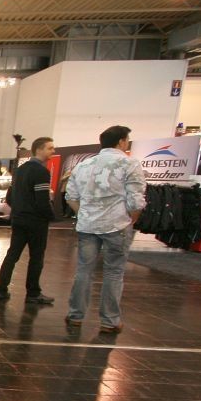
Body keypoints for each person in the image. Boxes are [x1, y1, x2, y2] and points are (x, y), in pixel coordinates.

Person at [64, 125, 146, 334]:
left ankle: (75, 315)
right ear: (121, 141)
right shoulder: (129, 164)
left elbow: (71, 196)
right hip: (116, 225)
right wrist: (131, 220)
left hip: (87, 226)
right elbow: (136, 200)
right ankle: (110, 321)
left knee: (84, 270)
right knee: (114, 272)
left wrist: (84, 214)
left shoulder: (84, 165)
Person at [0, 136, 56, 305]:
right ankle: (33, 292)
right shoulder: (41, 172)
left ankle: (1, 289)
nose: (53, 151)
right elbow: (42, 200)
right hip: (36, 221)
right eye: (50, 148)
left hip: (19, 219)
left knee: (12, 255)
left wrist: (18, 210)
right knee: (36, 257)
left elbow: (10, 196)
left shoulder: (20, 170)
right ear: (39, 149)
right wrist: (51, 216)